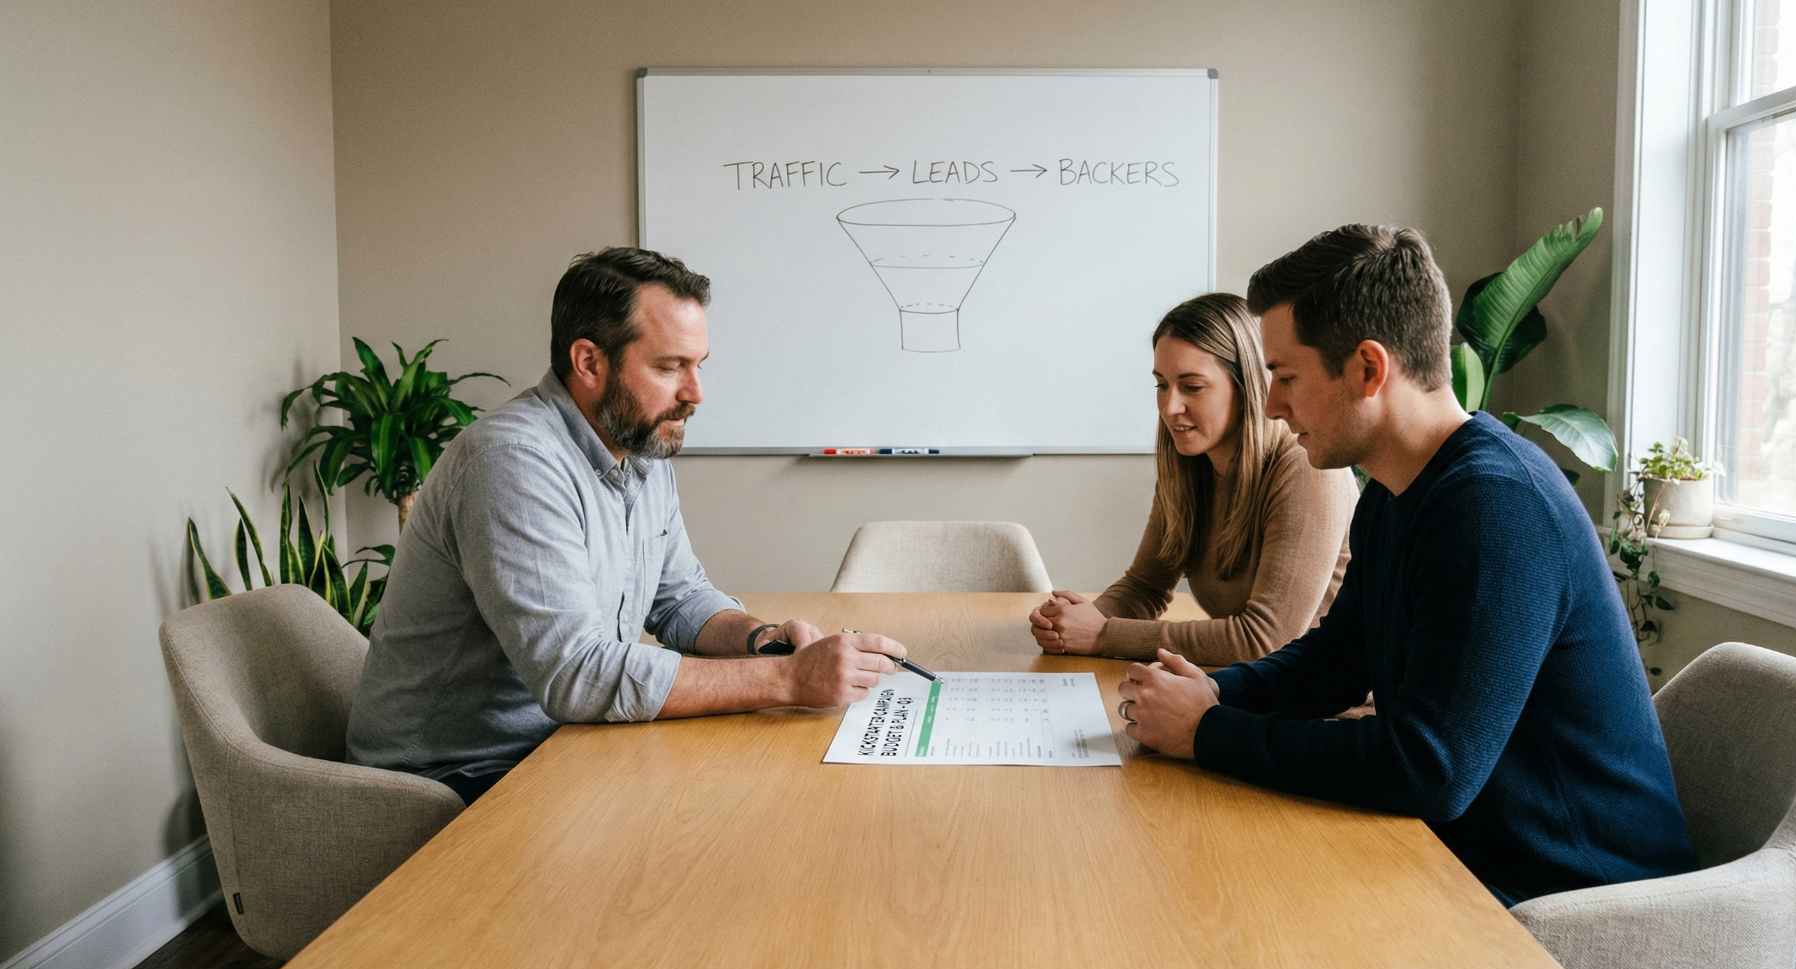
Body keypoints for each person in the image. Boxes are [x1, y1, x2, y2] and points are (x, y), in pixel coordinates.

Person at [1117, 226, 1698, 905]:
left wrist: (1210, 732)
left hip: (1571, 899)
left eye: (1286, 375)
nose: (1271, 403)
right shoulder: (1398, 491)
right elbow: (1337, 658)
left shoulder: (1494, 504)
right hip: (1470, 856)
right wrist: (1216, 695)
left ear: (1368, 368)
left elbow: (1431, 768)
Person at [346, 248, 904, 803]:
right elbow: (577, 675)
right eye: (669, 368)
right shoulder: (511, 461)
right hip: (453, 780)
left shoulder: (638, 446)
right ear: (589, 362)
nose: (695, 394)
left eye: (698, 365)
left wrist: (763, 641)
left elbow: (681, 598)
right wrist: (788, 680)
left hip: (562, 746)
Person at [1028, 294, 1356, 666]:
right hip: (1250, 691)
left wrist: (1104, 634)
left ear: (1247, 384)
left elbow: (1265, 639)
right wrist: (1071, 625)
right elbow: (1145, 587)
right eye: (1161, 385)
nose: (1170, 407)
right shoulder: (1189, 465)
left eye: (1192, 387)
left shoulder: (1306, 470)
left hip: (1321, 711)